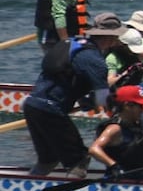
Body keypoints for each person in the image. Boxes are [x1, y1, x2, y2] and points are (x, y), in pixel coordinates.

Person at [22, 11, 125, 176]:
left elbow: (69, 77)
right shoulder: (95, 61)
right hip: (51, 111)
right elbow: (101, 99)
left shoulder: (73, 44)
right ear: (109, 38)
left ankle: (29, 186)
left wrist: (84, 100)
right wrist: (103, 100)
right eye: (116, 37)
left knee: (49, 159)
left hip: (32, 105)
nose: (117, 41)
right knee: (80, 158)